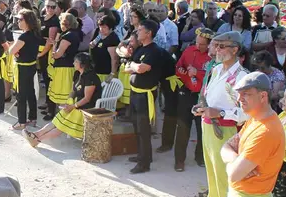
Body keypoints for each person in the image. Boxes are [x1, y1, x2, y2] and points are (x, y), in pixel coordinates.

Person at [197, 31, 247, 197]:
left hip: (226, 129)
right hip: (208, 125)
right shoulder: (217, 69)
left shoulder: (242, 76)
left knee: (225, 173)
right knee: (212, 170)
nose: (216, 49)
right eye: (216, 45)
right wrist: (203, 108)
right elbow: (211, 96)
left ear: (235, 49)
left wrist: (221, 113)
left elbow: (245, 113)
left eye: (221, 46)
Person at [24, 52, 103, 147]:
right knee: (56, 120)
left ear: (82, 64)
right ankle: (36, 134)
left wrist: (73, 106)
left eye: (76, 61)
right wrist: (68, 102)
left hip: (85, 109)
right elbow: (73, 91)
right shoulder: (78, 74)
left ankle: (38, 140)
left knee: (61, 126)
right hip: (75, 105)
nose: (73, 63)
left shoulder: (91, 78)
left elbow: (87, 99)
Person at [126, 19, 172, 173]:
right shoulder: (140, 49)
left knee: (144, 129)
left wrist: (133, 66)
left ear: (148, 33)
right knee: (136, 126)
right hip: (134, 93)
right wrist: (133, 66)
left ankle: (144, 163)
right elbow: (129, 66)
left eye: (140, 30)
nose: (137, 32)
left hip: (145, 96)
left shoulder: (154, 51)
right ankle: (142, 155)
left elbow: (140, 68)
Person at [173, 28, 213, 170]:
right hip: (186, 92)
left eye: (202, 44)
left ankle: (200, 156)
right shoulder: (189, 50)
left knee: (202, 128)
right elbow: (178, 66)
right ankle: (179, 160)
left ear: (209, 44)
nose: (198, 46)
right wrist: (182, 71)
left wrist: (198, 73)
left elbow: (214, 75)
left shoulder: (213, 56)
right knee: (183, 126)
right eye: (197, 42)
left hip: (203, 96)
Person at [45, 12, 83, 121]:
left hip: (64, 69)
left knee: (63, 96)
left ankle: (63, 120)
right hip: (69, 67)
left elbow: (57, 54)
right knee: (66, 94)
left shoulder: (68, 36)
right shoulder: (75, 33)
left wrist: (54, 44)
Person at [9, 9, 41, 130]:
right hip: (31, 66)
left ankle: (21, 122)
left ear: (27, 21)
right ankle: (32, 119)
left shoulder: (24, 36)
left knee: (21, 95)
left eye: (20, 19)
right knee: (30, 93)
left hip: (23, 68)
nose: (18, 22)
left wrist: (16, 52)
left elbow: (11, 51)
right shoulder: (35, 33)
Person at [89, 15, 120, 81]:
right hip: (97, 72)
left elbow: (115, 59)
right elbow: (91, 45)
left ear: (111, 28)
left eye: (104, 27)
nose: (101, 29)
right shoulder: (100, 36)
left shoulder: (112, 39)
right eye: (100, 27)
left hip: (106, 74)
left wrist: (112, 74)